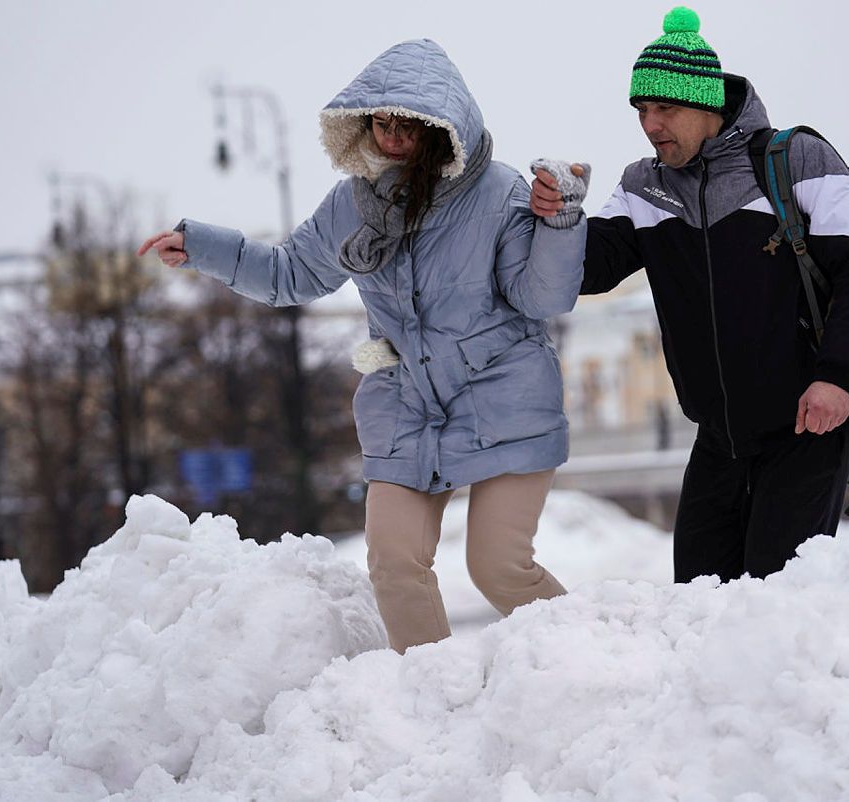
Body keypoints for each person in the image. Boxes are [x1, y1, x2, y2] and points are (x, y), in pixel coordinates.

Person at [139, 39, 588, 653]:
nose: (394, 137)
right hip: (405, 404)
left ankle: (598, 663)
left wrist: (559, 221)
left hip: (503, 398)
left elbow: (543, 299)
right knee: (395, 566)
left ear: (444, 128)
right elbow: (290, 273)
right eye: (382, 123)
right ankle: (434, 703)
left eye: (410, 125)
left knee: (498, 566)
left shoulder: (500, 195)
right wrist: (203, 248)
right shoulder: (354, 202)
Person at [531, 7, 849, 583]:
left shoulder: (794, 160)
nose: (651, 125)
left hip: (806, 427)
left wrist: (836, 377)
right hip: (716, 439)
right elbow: (588, 269)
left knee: (774, 605)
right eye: (642, 110)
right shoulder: (644, 187)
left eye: (666, 108)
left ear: (708, 104)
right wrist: (561, 216)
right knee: (698, 606)